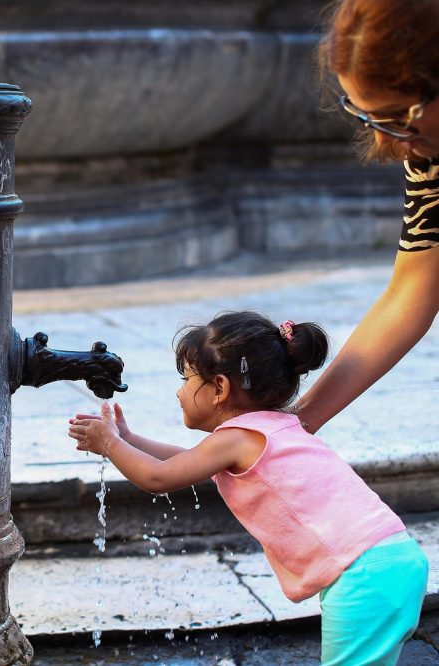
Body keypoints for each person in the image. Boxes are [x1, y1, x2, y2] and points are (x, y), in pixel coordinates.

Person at [67, 312, 428, 665]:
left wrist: (110, 445)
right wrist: (129, 438)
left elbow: (159, 478)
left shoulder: (237, 439)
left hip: (363, 576)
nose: (180, 390)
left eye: (186, 378)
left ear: (220, 388)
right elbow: (184, 462)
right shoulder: (274, 426)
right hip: (390, 561)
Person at [294, 0, 439, 433]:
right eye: (364, 115)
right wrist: (293, 425)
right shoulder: (428, 151)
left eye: (396, 116)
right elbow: (410, 292)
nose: (386, 139)